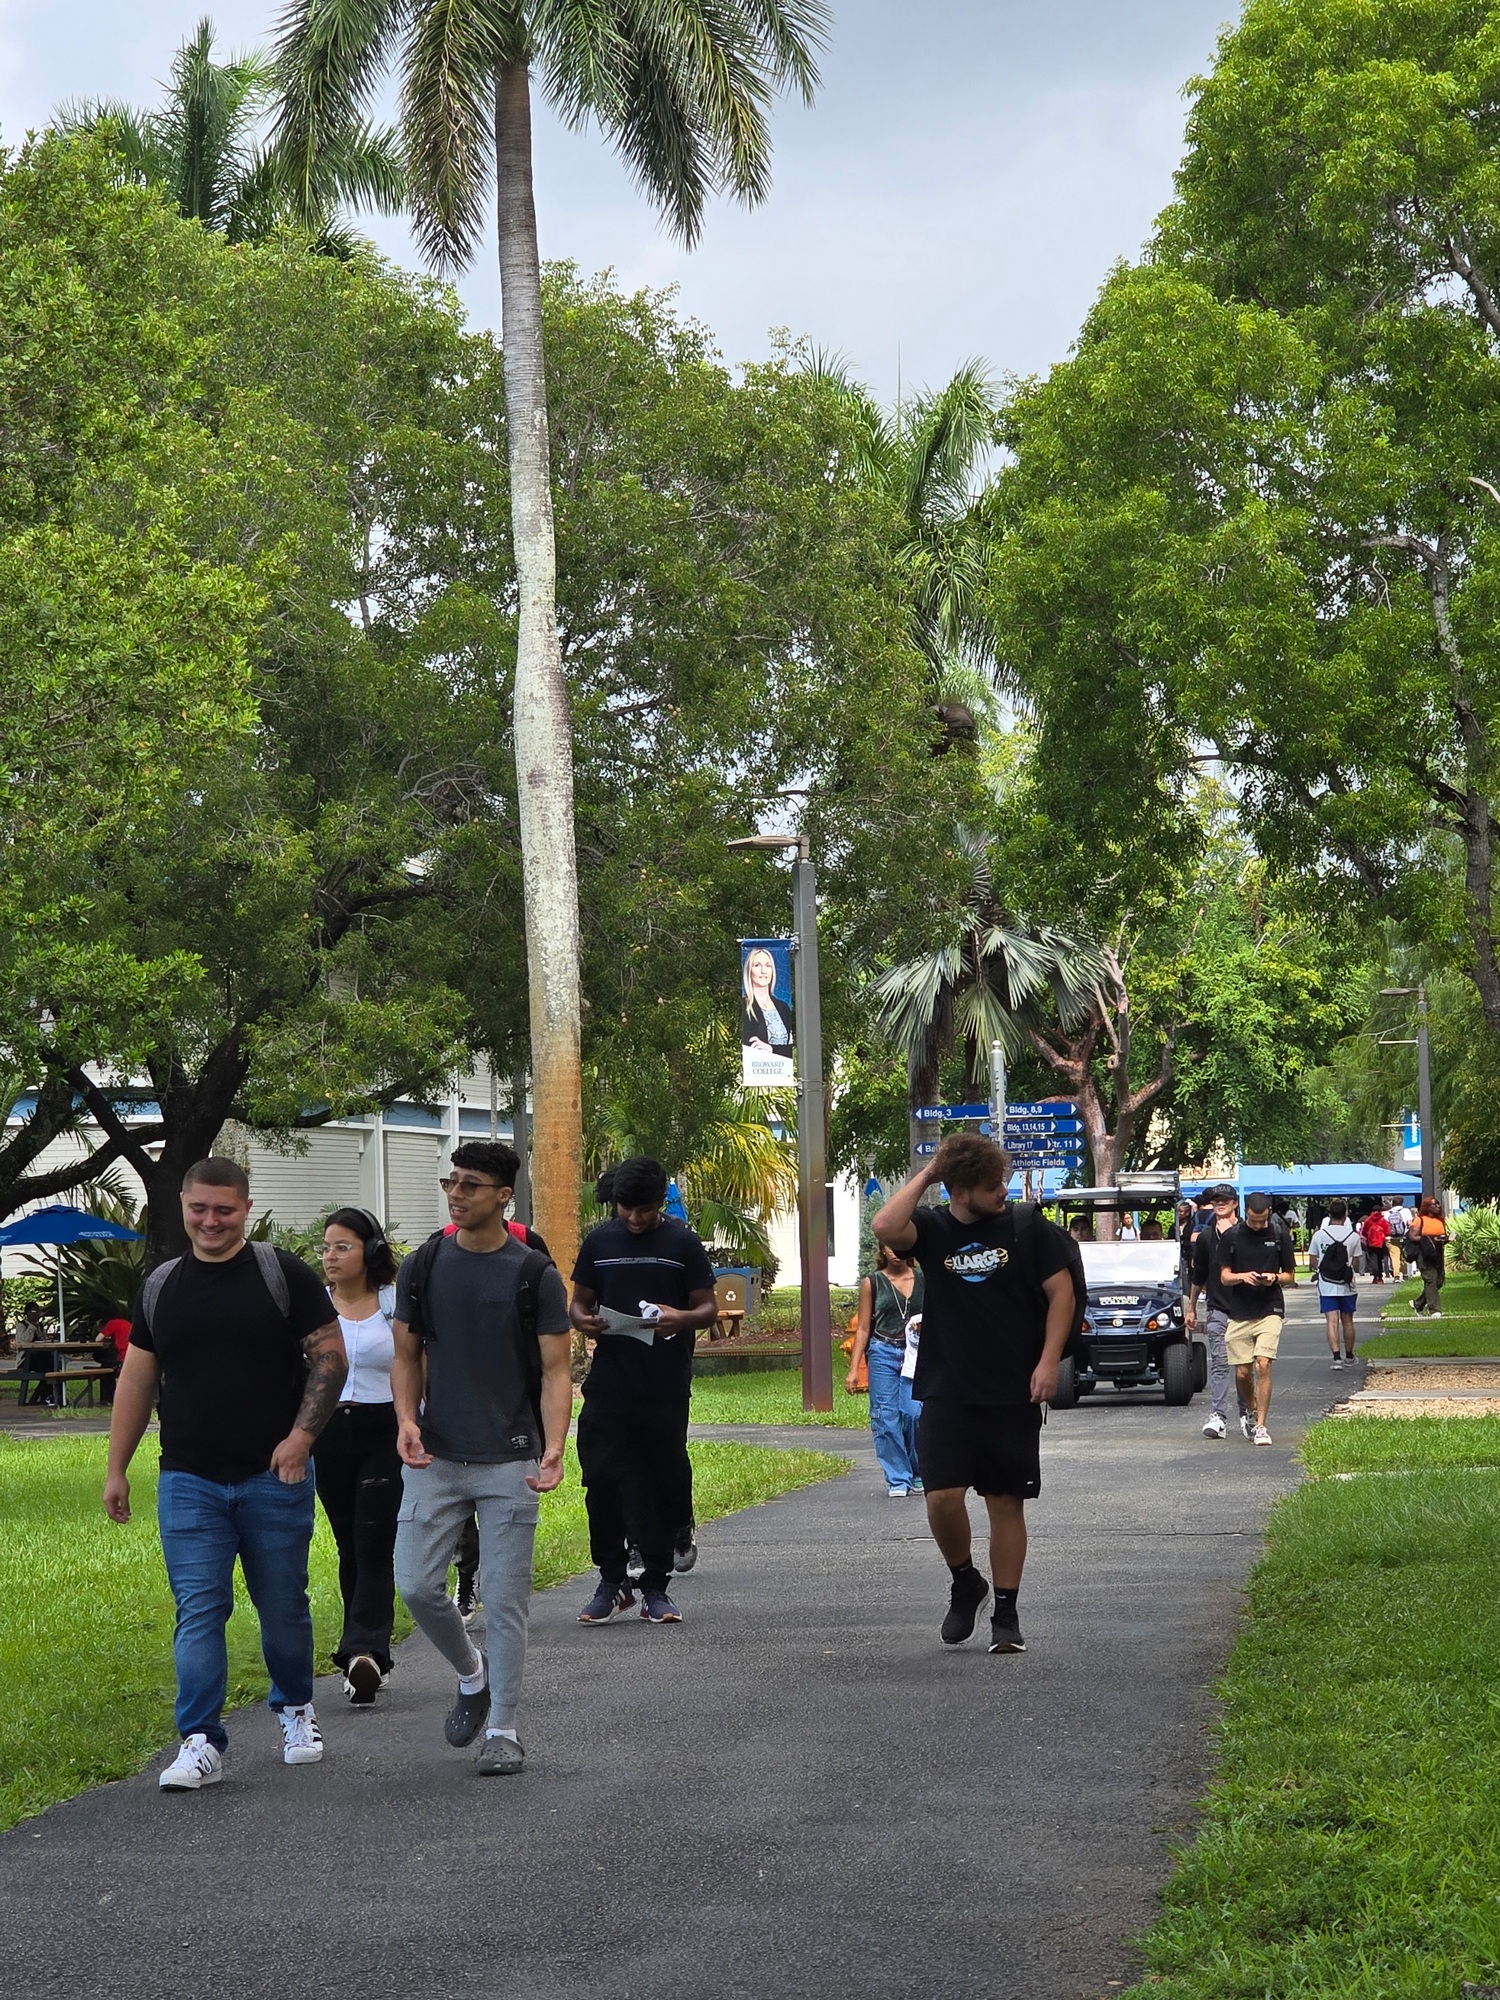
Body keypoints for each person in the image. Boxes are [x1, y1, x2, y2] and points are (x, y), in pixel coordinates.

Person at [103, 1157, 347, 1793]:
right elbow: (137, 1377)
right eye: (199, 1209)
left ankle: (296, 1709)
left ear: (244, 1207)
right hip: (189, 1479)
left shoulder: (281, 1273)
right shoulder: (161, 1286)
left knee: (283, 1606)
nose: (211, 1221)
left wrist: (300, 1440)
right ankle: (200, 1740)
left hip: (275, 1475)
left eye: (224, 1209)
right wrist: (116, 1468)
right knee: (199, 1611)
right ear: (183, 1206)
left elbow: (330, 1358)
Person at [391, 1140, 572, 1777]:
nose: (457, 1194)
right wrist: (407, 1419)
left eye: (471, 1185)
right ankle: (472, 1674)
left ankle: (504, 1728)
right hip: (435, 1455)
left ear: (504, 1196)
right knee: (413, 1584)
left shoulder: (533, 1274)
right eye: (452, 1183)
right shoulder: (423, 1266)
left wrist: (555, 1446)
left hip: (510, 1458)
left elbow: (556, 1370)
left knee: (502, 1598)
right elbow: (407, 1356)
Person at [873, 1134, 1074, 1657]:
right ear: (958, 1191)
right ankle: (966, 1581)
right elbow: (885, 1227)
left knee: (1005, 1501)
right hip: (947, 1386)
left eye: (1003, 1180)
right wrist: (931, 1170)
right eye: (990, 1185)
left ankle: (1006, 1613)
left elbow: (1062, 1295)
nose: (1002, 1191)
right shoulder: (935, 1229)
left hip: (1013, 1388)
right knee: (940, 1498)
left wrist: (1049, 1362)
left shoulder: (1027, 1228)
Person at [571, 1156, 718, 1625]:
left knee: (657, 1478)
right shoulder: (599, 1240)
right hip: (610, 1379)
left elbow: (708, 1308)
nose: (634, 1219)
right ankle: (611, 1580)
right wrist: (585, 1321)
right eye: (625, 1209)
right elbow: (578, 1302)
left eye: (645, 1210)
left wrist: (681, 1317)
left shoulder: (681, 1241)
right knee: (600, 1478)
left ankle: (655, 1585)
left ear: (660, 1202)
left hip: (664, 1382)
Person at [313, 1208, 402, 1705]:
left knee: (374, 1537)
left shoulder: (391, 1304)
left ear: (369, 1251)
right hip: (326, 1432)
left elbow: (415, 1363)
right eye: (326, 1247)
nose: (330, 1256)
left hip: (381, 1427)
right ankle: (364, 1656)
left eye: (342, 1246)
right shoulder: (314, 1307)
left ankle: (364, 1650)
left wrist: (416, 1423)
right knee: (349, 1541)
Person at [845, 1245, 925, 1496]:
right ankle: (898, 1478)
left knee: (914, 1413)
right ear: (882, 1248)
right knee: (885, 1416)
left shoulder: (924, 1279)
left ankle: (918, 1471)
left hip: (918, 1353)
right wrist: (854, 1370)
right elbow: (863, 1328)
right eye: (889, 1245)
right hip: (883, 1351)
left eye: (900, 1245)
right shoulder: (873, 1282)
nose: (895, 1251)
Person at [1219, 1191, 1296, 1447]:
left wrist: (1274, 1277)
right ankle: (1251, 1409)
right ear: (1245, 1213)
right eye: (1253, 1220)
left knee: (1263, 1363)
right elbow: (1224, 1277)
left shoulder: (1278, 1235)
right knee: (1242, 1372)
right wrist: (1243, 1276)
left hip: (1270, 1307)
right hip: (1240, 1310)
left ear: (1269, 1213)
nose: (1258, 1225)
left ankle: (1261, 1426)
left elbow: (1290, 1276)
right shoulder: (1231, 1237)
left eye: (1262, 1220)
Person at [1186, 1185, 1252, 1441]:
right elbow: (1199, 1274)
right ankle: (1218, 1416)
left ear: (1235, 1203)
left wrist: (1230, 1238)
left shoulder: (1248, 1232)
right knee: (1220, 1362)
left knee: (1243, 1365)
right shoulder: (1205, 1238)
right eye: (1216, 1201)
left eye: (1225, 1200)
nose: (1220, 1204)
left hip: (1246, 1307)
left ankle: (1247, 1412)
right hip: (1217, 1306)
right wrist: (1191, 1307)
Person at [1307, 1199, 1360, 1369]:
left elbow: (1313, 1261)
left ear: (1329, 1215)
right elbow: (1356, 1263)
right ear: (1346, 1216)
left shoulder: (1319, 1235)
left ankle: (1336, 1358)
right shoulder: (1353, 1237)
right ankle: (1350, 1356)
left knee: (1331, 1320)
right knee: (1348, 1319)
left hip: (1326, 1283)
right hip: (1347, 1284)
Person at [740, 946, 795, 1052]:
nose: (763, 971)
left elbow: (790, 1049)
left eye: (768, 966)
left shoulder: (783, 1008)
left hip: (782, 1067)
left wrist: (771, 1049)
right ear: (749, 970)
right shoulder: (745, 1007)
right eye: (757, 965)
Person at [1408, 1196, 1448, 1316]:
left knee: (1439, 1281)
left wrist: (1445, 1239)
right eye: (1434, 1204)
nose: (1437, 1206)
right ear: (1427, 1207)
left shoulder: (1440, 1220)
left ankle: (1418, 1304)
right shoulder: (1420, 1220)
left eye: (1438, 1204)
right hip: (1424, 1254)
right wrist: (1430, 1239)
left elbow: (1441, 1236)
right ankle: (1435, 1310)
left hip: (1437, 1253)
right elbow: (1413, 1236)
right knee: (1430, 1280)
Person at [16, 1302, 55, 1406]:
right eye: (35, 1312)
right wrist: (32, 1327)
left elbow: (44, 1340)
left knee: (51, 1366)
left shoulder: (40, 1326)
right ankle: (47, 1396)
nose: (38, 1314)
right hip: (26, 1359)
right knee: (48, 1366)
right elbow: (25, 1340)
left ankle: (47, 1396)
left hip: (41, 1358)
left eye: (39, 1311)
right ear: (28, 1313)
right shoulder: (21, 1325)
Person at [1358, 1204, 1391, 1285]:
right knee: (1380, 1260)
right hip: (1381, 1243)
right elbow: (1388, 1231)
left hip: (1371, 1243)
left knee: (1373, 1260)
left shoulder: (1368, 1220)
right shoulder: (1383, 1221)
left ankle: (1375, 1276)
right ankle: (1380, 1277)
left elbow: (1364, 1232)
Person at [1386, 1197, 1413, 1278]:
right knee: (1403, 1255)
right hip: (1404, 1237)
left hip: (1391, 1238)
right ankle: (1405, 1274)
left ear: (1392, 1203)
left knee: (1395, 1256)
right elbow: (1410, 1223)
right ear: (1402, 1202)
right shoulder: (1406, 1211)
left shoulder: (1388, 1213)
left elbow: (1386, 1226)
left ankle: (1396, 1275)